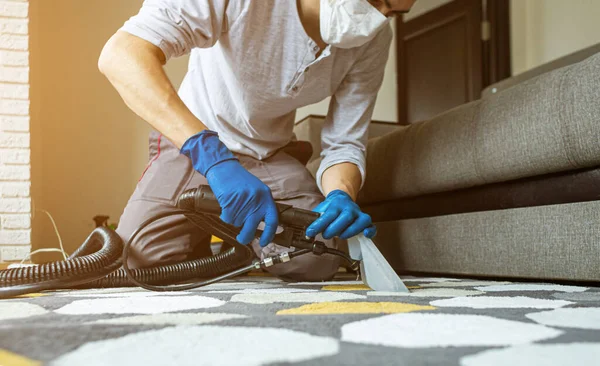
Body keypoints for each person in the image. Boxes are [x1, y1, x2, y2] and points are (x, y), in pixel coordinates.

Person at [99, 0, 417, 281]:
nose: (379, 19)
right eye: (377, 1)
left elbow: (345, 142)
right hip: (195, 146)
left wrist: (340, 194)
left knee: (314, 261)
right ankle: (202, 227)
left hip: (269, 155)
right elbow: (121, 55)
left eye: (395, 12)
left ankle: (232, 243)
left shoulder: (374, 40)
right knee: (137, 262)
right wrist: (214, 159)